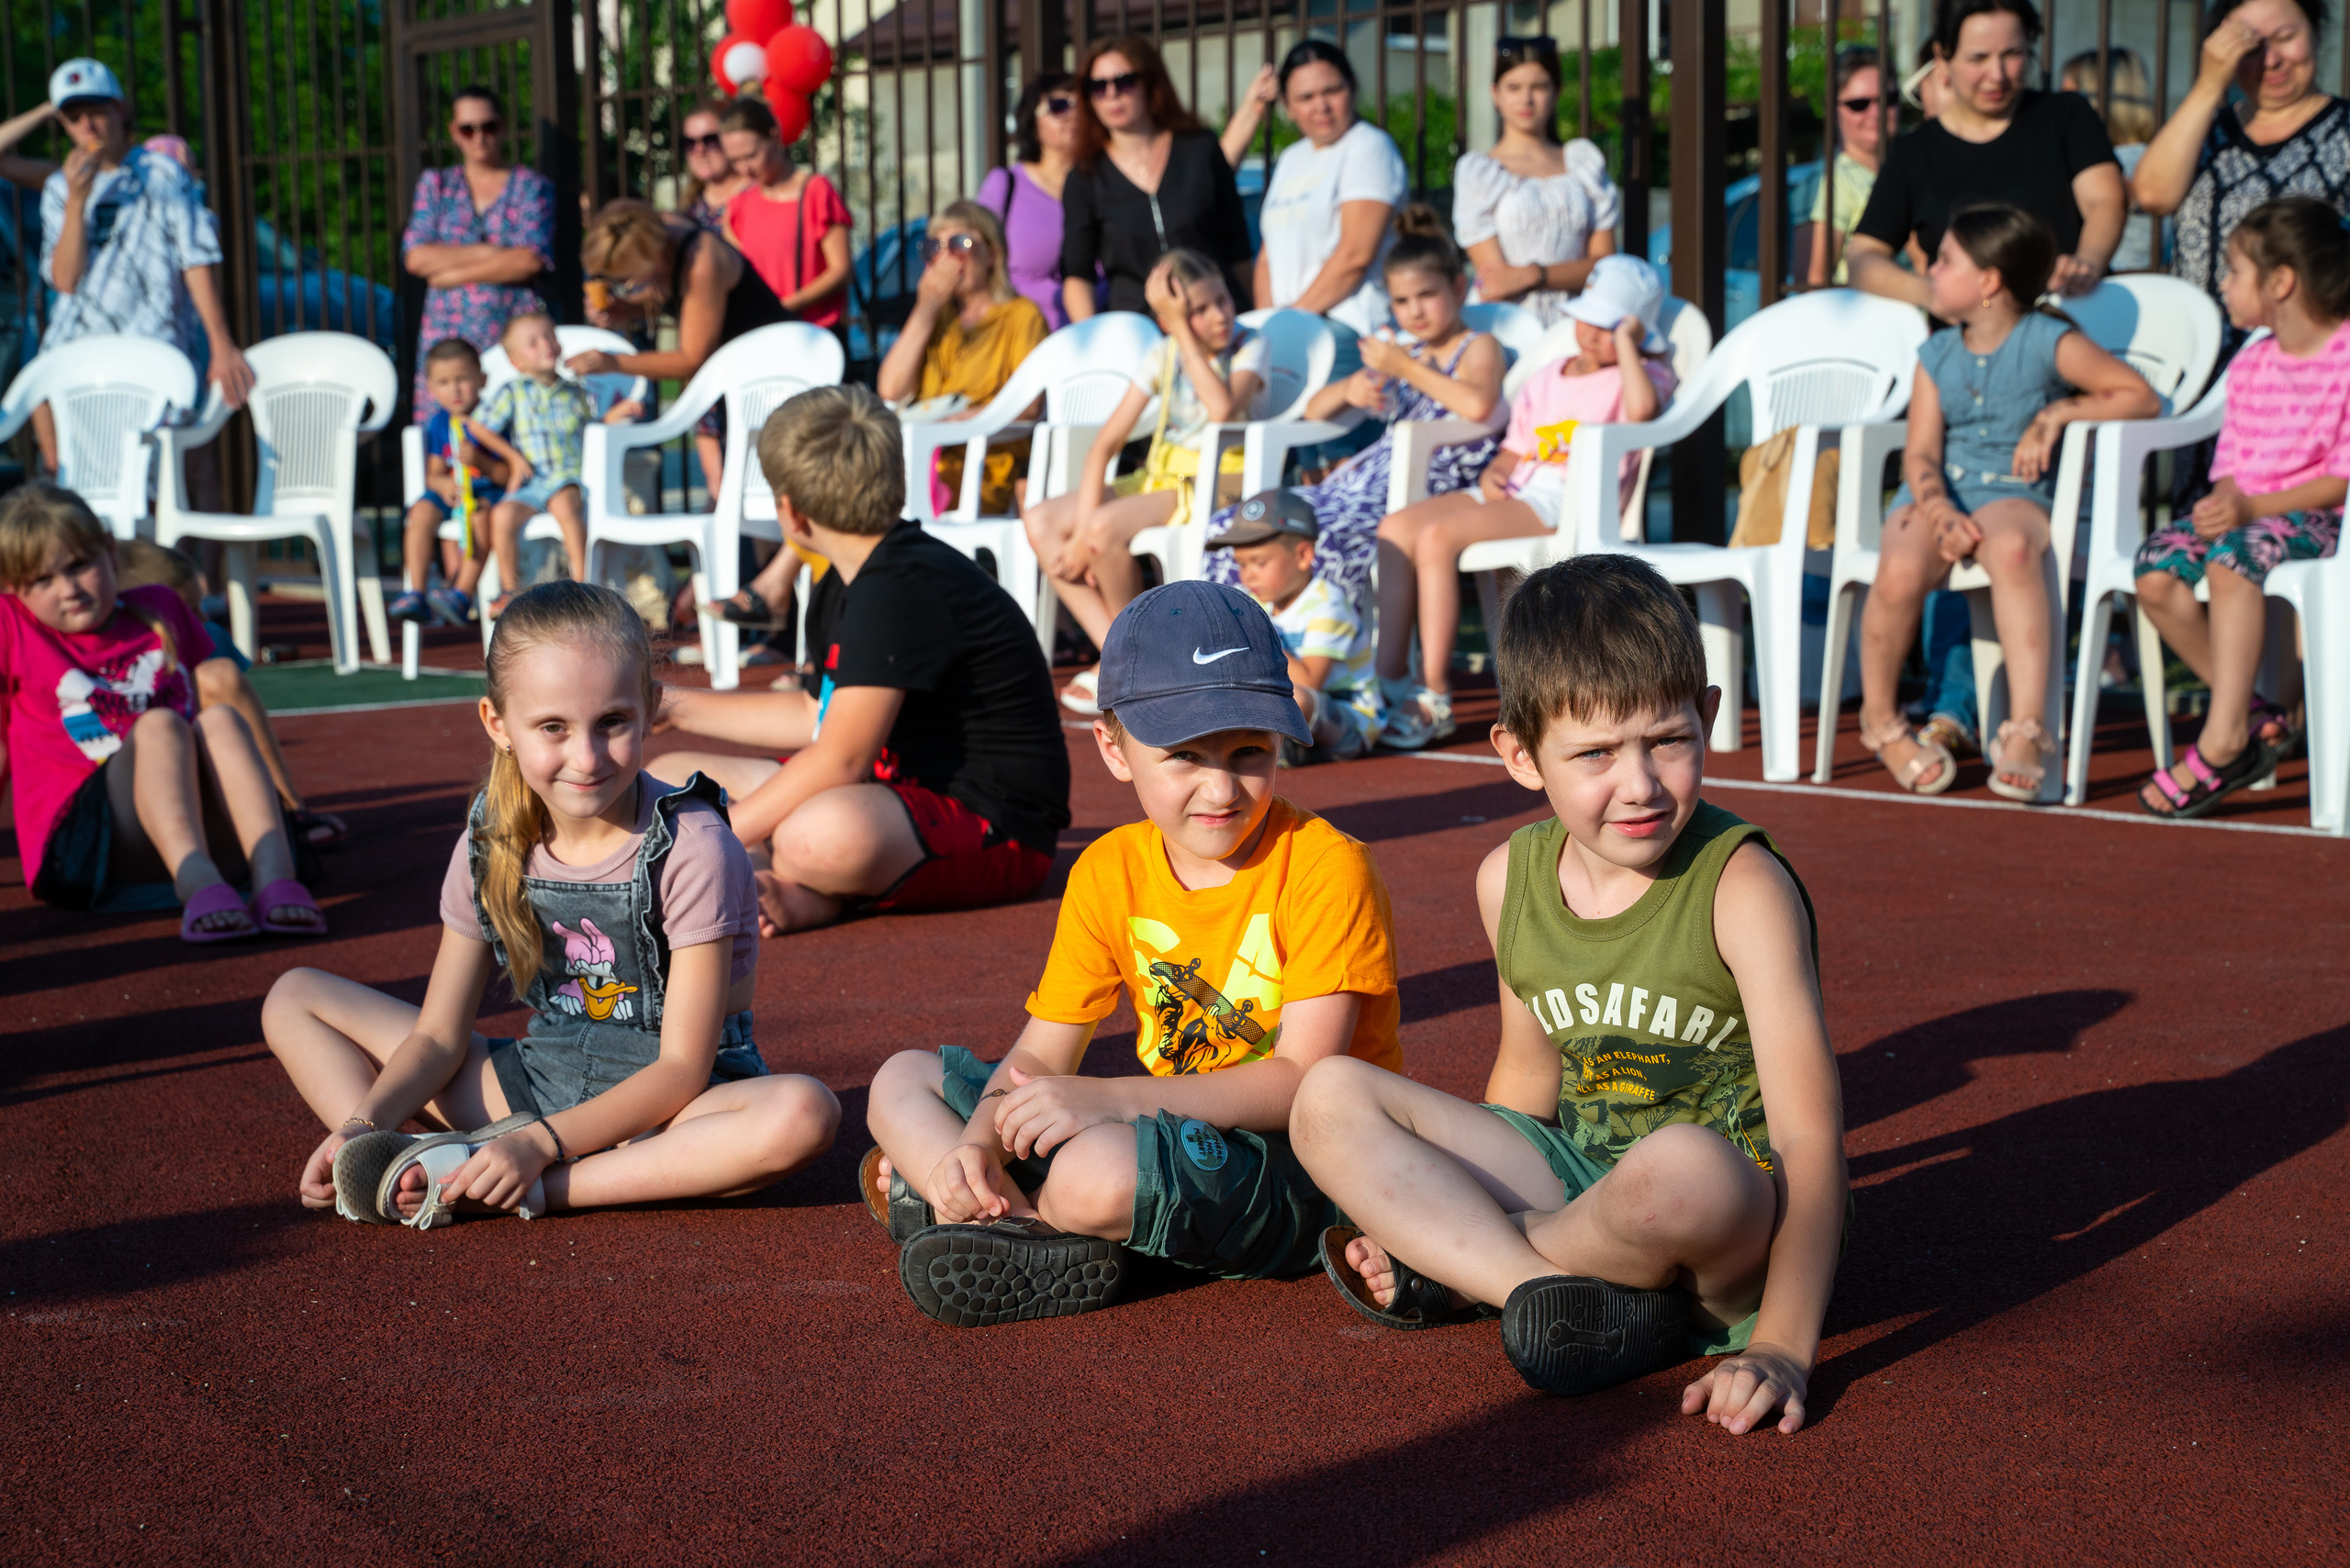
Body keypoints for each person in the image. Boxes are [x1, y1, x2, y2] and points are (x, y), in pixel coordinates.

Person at [1288, 555, 1842, 1421]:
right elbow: (1526, 1084)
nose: (1641, 785)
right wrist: (1449, 1174)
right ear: (1519, 755)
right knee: (1326, 1097)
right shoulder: (1509, 878)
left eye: (1667, 739)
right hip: (1585, 1187)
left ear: (1708, 717)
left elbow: (1810, 1142)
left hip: (1720, 1231)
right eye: (1595, 754)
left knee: (1684, 1166)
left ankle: (1465, 1272)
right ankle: (1546, 1293)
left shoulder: (1743, 888)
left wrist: (1781, 1345)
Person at [858, 578, 1402, 1327]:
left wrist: (1108, 1100)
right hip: (1164, 1128)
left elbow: (1303, 1083)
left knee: (1095, 1171)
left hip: (1301, 1163)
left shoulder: (1325, 865)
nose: (1221, 787)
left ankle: (986, 1218)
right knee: (902, 1078)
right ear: (1113, 749)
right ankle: (995, 1207)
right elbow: (1043, 1053)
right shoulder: (1108, 868)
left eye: (1249, 750)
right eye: (1183, 756)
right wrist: (981, 1144)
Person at [262, 581, 840, 1227]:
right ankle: (389, 1159)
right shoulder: (490, 842)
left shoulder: (695, 846)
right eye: (553, 728)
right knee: (294, 995)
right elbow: (438, 1035)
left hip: (673, 1111)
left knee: (803, 1113)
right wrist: (365, 1121)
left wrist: (537, 1148)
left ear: (650, 709)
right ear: (498, 725)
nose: (586, 757)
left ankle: (535, 1187)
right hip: (533, 1084)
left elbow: (681, 1068)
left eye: (613, 723)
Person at [654, 386, 1071, 935]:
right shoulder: (843, 575)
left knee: (814, 836)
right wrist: (676, 706)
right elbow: (813, 717)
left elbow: (840, 759)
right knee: (668, 782)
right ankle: (783, 884)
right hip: (888, 793)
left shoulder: (896, 586)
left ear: (791, 512)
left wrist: (713, 844)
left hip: (996, 824)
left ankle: (804, 891)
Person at [1856, 203, 2158, 801]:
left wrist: (2059, 411)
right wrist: (1939, 509)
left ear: (1989, 281)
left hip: (2015, 493)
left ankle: (2027, 729)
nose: (1931, 271)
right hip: (1939, 489)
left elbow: (2139, 397)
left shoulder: (2049, 340)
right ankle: (1882, 722)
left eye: (1944, 261)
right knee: (1898, 567)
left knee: (2015, 549)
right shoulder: (1936, 354)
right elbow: (1919, 454)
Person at [1373, 253, 1675, 750]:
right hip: (1519, 491)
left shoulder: (1643, 374)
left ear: (1636, 329)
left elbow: (1643, 412)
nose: (1594, 334)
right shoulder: (1550, 373)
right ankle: (1387, 682)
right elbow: (1516, 446)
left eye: (1611, 325)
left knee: (1436, 538)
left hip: (1565, 499)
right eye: (1589, 320)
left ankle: (1435, 694)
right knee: (1396, 528)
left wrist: (1629, 344)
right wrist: (1497, 469)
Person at [0, 484, 322, 939]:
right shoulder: (11, 626)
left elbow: (226, 686)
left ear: (110, 552)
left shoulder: (161, 606)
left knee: (221, 719)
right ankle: (199, 885)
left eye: (79, 566)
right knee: (161, 724)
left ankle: (276, 878)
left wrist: (294, 806)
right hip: (90, 850)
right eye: (43, 581)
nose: (69, 589)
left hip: (195, 827)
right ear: (14, 590)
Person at [2134, 198, 2349, 817]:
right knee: (2156, 567)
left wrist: (2250, 508)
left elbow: (2340, 481)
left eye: (2232, 271)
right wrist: (2224, 501)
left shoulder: (2346, 355)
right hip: (2253, 518)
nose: (2222, 284)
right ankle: (2257, 714)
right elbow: (2231, 466)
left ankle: (2222, 739)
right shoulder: (2253, 360)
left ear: (2281, 281)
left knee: (2232, 560)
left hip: (2321, 522)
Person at [1201, 207, 1506, 609]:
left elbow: (1479, 403)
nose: (1414, 311)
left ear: (1458, 287)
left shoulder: (1476, 346)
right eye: (1401, 300)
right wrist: (1352, 388)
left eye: (1427, 295)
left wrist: (1405, 368)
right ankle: (1233, 635)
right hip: (1360, 484)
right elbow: (1314, 410)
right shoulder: (1403, 351)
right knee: (1235, 523)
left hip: (1419, 489)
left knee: (1315, 533)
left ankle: (1322, 646)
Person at [1023, 249, 1270, 716]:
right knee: (1041, 521)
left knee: (1101, 531)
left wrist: (1183, 331)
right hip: (1160, 479)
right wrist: (1076, 532)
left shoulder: (1250, 345)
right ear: (1167, 318)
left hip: (1218, 482)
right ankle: (1119, 652)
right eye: (1197, 309)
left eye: (1221, 299)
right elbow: (1104, 445)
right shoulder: (1163, 354)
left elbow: (1221, 409)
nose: (1218, 315)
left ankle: (1133, 657)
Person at [35, 59, 254, 480]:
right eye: (74, 117)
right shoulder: (59, 189)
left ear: (119, 109)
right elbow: (64, 279)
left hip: (152, 346)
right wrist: (78, 203)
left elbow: (196, 256)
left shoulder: (163, 172)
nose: (88, 127)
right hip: (77, 352)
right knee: (72, 478)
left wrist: (221, 344)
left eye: (96, 111)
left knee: (157, 481)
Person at [1845, 0, 2124, 306]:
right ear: (1942, 57)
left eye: (2012, 54)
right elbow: (1863, 257)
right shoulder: (1914, 152)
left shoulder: (2067, 116)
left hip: (2072, 319)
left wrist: (2087, 263)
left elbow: (2105, 201)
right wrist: (1933, 294)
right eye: (1978, 58)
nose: (1997, 74)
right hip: (1966, 341)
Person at [113, 538, 350, 853]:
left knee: (219, 678)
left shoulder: (209, 637)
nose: (202, 620)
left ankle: (289, 809)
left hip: (203, 789)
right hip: (130, 800)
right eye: (187, 611)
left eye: (201, 607)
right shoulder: (106, 656)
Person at [2132, 0, 2350, 336]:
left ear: (2317, 34)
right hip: (2197, 354)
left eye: (2285, 37)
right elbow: (2152, 196)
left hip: (2306, 364)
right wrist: (2209, 84)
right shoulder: (2204, 130)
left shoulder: (2343, 129)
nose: (2272, 60)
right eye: (2250, 47)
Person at [571, 199, 788, 510]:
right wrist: (627, 308)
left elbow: (691, 358)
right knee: (726, 495)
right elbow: (672, 294)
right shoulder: (657, 233)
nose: (624, 286)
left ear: (654, 257)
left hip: (772, 373)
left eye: (627, 280)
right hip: (730, 374)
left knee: (759, 495)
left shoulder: (702, 263)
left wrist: (612, 362)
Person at [1059, 35, 1253, 321]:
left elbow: (1238, 247)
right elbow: (1078, 274)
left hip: (1216, 318)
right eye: (1097, 87)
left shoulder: (1200, 149)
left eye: (1124, 82)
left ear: (1150, 83)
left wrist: (1253, 314)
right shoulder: (1084, 176)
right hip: (1140, 329)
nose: (1112, 94)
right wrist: (1091, 338)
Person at [400, 84, 554, 422]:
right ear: (454, 132)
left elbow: (529, 260)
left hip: (510, 336)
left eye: (488, 127)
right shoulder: (437, 185)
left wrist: (449, 273)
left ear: (502, 127)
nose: (479, 137)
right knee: (445, 442)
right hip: (448, 340)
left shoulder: (530, 186)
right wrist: (491, 253)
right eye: (468, 129)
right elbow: (415, 257)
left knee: (515, 432)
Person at [477, 312, 646, 611]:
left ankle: (584, 585)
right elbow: (479, 427)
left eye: (550, 336)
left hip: (569, 476)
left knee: (565, 505)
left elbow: (590, 427)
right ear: (517, 362)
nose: (546, 345)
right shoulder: (513, 392)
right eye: (533, 342)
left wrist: (613, 415)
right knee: (501, 516)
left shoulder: (575, 391)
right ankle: (508, 590)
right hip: (532, 482)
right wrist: (513, 457)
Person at [1454, 35, 1623, 323]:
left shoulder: (1584, 163)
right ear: (1495, 94)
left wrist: (1533, 274)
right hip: (1507, 324)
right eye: (1514, 87)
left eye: (1539, 86)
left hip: (1580, 322)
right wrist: (1560, 274)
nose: (1526, 99)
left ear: (1557, 91)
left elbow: (1604, 267)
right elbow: (1497, 283)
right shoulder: (1480, 172)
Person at [1212, 490, 1382, 764]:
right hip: (1290, 710)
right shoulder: (1257, 603)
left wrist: (1259, 636)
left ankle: (1282, 748)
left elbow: (1309, 681)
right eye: (1241, 564)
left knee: (1299, 699)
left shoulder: (1329, 605)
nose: (1247, 575)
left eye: (1260, 562)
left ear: (1303, 555)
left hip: (1348, 720)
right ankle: (1284, 748)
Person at [1253, 39, 1406, 338]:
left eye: (1332, 91)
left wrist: (1289, 325)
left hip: (1348, 327)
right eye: (1306, 97)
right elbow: (1266, 259)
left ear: (1352, 87)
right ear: (1288, 106)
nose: (1321, 106)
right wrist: (1268, 327)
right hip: (1293, 327)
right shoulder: (1291, 158)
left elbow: (1354, 256)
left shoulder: (1369, 147)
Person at [388, 338, 524, 630]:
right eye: (444, 382)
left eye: (462, 379)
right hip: (452, 493)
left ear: (482, 379)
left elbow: (509, 473)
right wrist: (442, 485)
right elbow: (433, 472)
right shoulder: (439, 422)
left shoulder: (494, 419)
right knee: (420, 512)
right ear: (431, 388)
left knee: (479, 516)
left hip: (487, 492)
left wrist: (482, 462)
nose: (455, 389)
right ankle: (416, 592)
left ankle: (461, 594)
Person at [677, 97, 755, 495]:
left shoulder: (757, 200)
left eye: (710, 139)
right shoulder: (687, 216)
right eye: (689, 143)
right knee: (719, 485)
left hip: (754, 346)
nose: (700, 150)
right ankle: (726, 559)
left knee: (765, 475)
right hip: (706, 354)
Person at [720, 95, 851, 330]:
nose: (744, 169)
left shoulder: (815, 191)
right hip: (760, 332)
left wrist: (784, 306)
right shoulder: (740, 204)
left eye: (750, 156)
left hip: (813, 332)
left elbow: (841, 270)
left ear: (775, 137)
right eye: (734, 161)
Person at [977, 72, 1083, 330]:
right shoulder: (1006, 184)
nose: (1074, 115)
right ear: (1032, 122)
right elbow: (976, 256)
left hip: (1099, 342)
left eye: (1084, 106)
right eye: (1058, 106)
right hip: (1024, 344)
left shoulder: (1105, 185)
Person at [2060, 49, 2160, 272]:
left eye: (2068, 97)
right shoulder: (2151, 156)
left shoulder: (2127, 159)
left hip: (2118, 283)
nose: (2058, 110)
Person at [1808, 47, 1893, 288]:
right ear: (1834, 112)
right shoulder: (1835, 179)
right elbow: (1816, 281)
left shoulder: (1912, 164)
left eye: (1887, 100)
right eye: (1859, 104)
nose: (1875, 113)